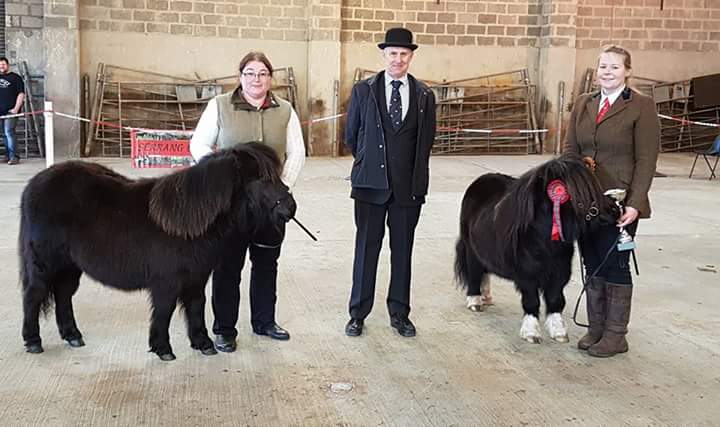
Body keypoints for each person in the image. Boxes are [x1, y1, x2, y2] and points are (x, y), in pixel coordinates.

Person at [190, 51, 305, 352]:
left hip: (271, 208)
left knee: (267, 263)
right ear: (240, 76)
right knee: (228, 267)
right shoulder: (220, 106)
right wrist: (220, 175)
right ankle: (225, 329)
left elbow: (297, 152)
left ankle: (264, 322)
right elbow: (198, 144)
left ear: (270, 78)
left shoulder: (285, 110)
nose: (257, 79)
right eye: (250, 73)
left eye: (263, 73)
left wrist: (283, 188)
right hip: (231, 207)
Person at [564, 45, 660, 358]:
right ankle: (596, 327)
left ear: (627, 71)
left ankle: (616, 335)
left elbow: (646, 159)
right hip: (585, 200)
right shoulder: (583, 103)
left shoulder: (641, 106)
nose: (607, 72)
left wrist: (635, 202)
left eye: (615, 67)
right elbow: (570, 150)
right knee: (591, 260)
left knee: (616, 264)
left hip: (619, 202)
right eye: (603, 67)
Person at [343, 28, 436, 338]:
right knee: (366, 250)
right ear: (383, 56)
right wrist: (371, 165)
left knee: (403, 252)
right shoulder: (363, 91)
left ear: (411, 57)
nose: (398, 59)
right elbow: (352, 136)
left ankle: (400, 314)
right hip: (370, 186)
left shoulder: (424, 95)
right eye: (393, 53)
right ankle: (357, 313)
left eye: (404, 54)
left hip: (408, 189)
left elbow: (426, 142)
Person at [0, 57, 25, 165]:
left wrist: (16, 108)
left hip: (11, 110)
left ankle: (14, 156)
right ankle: (7, 155)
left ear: (8, 65)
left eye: (3, 64)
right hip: (1, 111)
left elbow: (21, 94)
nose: (1, 66)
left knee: (9, 132)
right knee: (4, 134)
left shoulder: (16, 78)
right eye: (0, 65)